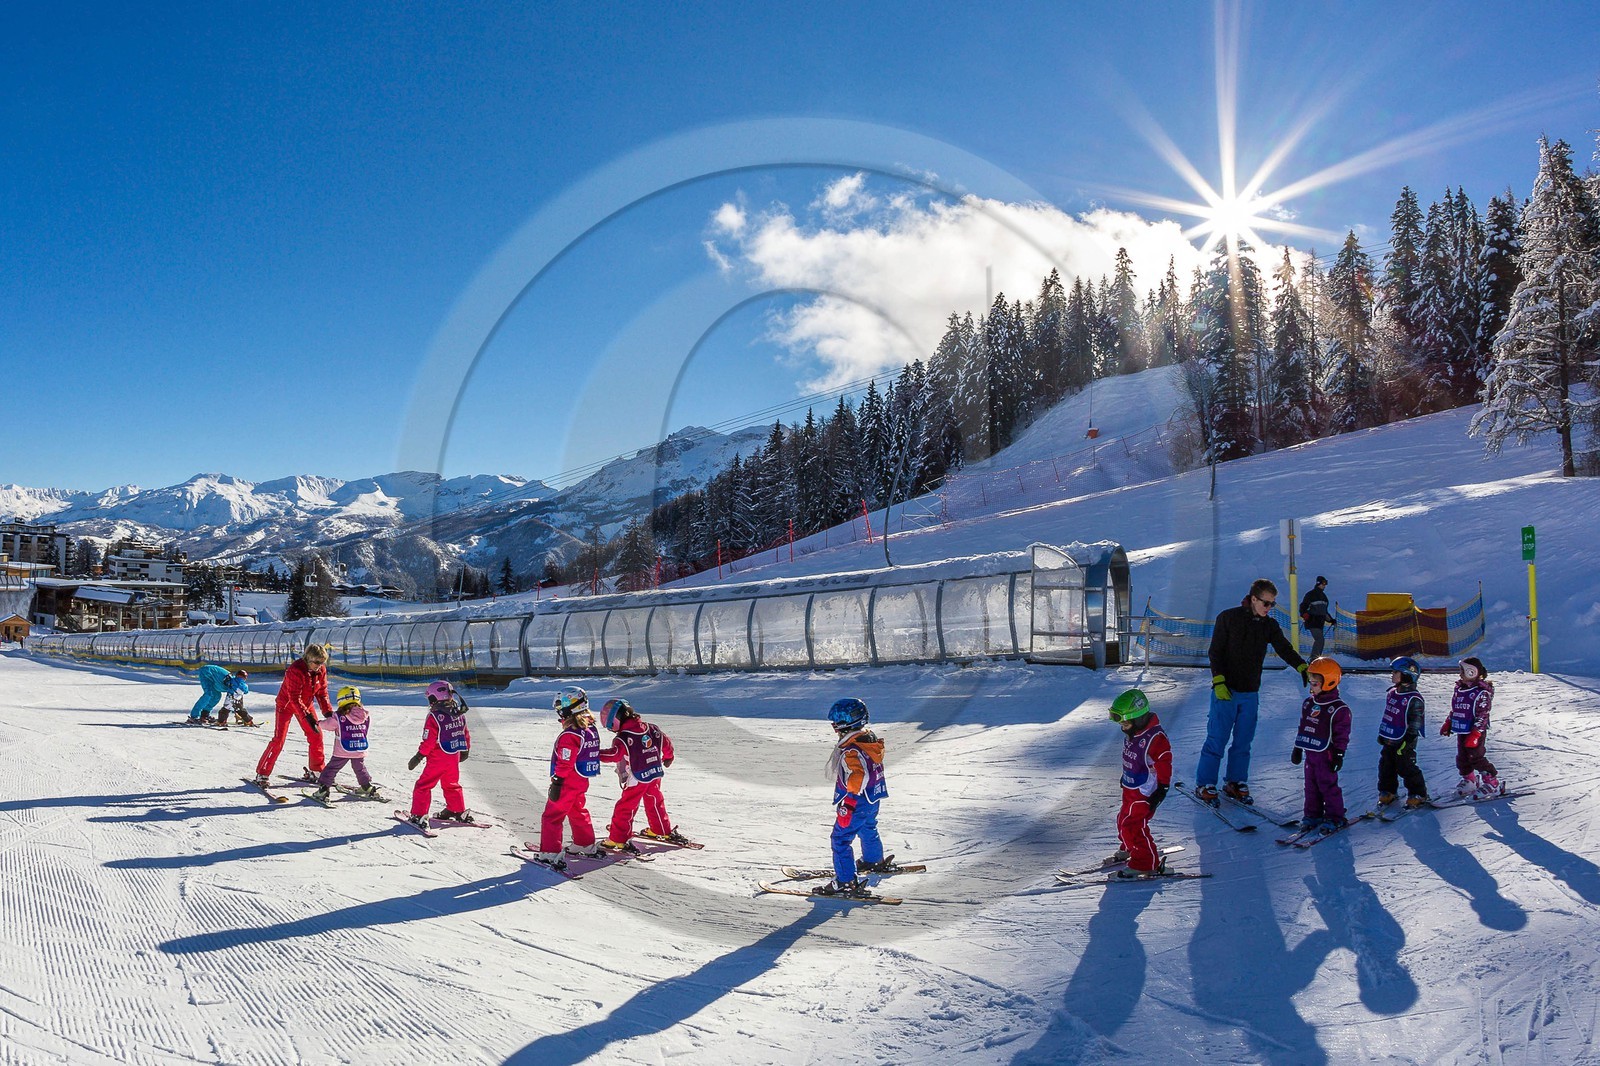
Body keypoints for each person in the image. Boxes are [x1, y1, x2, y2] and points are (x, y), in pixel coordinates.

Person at [1196, 578, 1309, 806]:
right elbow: (1215, 652)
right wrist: (1218, 682)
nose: (1269, 608)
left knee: (1243, 741)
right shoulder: (1228, 618)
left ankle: (1235, 782)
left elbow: (1283, 648)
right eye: (1266, 603)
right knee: (1217, 739)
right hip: (1225, 692)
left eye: (1272, 604)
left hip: (1250, 693)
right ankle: (1204, 783)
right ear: (1254, 599)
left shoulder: (1269, 626)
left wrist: (1301, 666)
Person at [817, 697, 890, 897]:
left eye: (835, 724)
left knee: (840, 839)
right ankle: (873, 860)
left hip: (856, 801)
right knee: (868, 827)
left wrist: (848, 803)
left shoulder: (852, 750)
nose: (834, 729)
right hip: (872, 798)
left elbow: (858, 775)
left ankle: (845, 881)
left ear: (844, 724)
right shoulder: (868, 740)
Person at [597, 697, 683, 853]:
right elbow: (666, 742)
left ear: (615, 721)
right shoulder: (652, 728)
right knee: (655, 800)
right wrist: (669, 756)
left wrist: (594, 754)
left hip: (637, 777)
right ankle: (661, 829)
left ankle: (618, 839)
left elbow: (614, 755)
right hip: (655, 772)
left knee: (626, 807)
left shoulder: (623, 738)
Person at [534, 686, 603, 870]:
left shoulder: (570, 734)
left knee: (552, 816)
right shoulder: (589, 729)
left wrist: (557, 781)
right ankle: (584, 843)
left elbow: (565, 760)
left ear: (570, 707)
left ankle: (550, 852)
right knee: (577, 810)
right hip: (581, 780)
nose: (558, 711)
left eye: (560, 707)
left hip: (567, 781)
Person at [1108, 689, 1172, 878]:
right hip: (1131, 787)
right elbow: (1135, 759)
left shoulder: (1155, 738)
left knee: (1134, 825)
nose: (1123, 727)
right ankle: (1130, 848)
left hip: (1145, 791)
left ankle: (1145, 863)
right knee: (1123, 820)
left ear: (1139, 718)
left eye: (1126, 723)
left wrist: (1163, 788)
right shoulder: (1135, 732)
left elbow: (1165, 762)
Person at [252, 643, 332, 786]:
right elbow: (294, 698)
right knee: (279, 740)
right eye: (316, 662)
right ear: (308, 658)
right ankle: (262, 773)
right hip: (286, 705)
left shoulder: (321, 671)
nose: (319, 666)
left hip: (305, 706)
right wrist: (306, 716)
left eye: (322, 662)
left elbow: (322, 692)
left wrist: (328, 712)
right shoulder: (295, 670)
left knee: (316, 735)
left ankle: (317, 770)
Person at [1291, 656, 1351, 834]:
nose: (1311, 687)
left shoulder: (1339, 709)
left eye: (1315, 683)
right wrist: (1297, 747)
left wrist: (1339, 754)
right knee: (1310, 786)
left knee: (1327, 785)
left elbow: (1342, 734)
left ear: (1329, 682)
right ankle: (1312, 814)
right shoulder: (1309, 703)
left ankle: (1335, 816)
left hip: (1327, 755)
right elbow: (1304, 726)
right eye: (1311, 682)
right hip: (1311, 753)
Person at [404, 680, 472, 830]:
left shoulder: (434, 716)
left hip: (438, 757)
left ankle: (418, 815)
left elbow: (429, 740)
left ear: (434, 698)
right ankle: (457, 809)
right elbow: (464, 732)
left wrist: (419, 756)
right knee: (451, 783)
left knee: (423, 785)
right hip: (453, 755)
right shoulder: (458, 712)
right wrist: (465, 749)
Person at [1441, 656, 1502, 799]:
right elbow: (1456, 709)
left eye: (1462, 671)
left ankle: (1492, 782)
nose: (1459, 674)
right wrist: (1449, 722)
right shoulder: (1460, 689)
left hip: (1475, 731)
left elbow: (1483, 715)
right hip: (1462, 728)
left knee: (1476, 757)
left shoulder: (1482, 692)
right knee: (1462, 757)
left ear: (1471, 672)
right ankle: (1470, 780)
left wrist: (1475, 734)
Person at [1376, 656, 1429, 809]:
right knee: (1386, 765)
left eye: (1396, 672)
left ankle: (1418, 793)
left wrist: (1409, 739)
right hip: (1390, 738)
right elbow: (1389, 715)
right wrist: (1383, 734)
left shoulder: (1414, 699)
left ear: (1407, 674)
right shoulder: (1392, 693)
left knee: (1406, 767)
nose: (1392, 675)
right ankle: (1388, 791)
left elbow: (1415, 722)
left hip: (1404, 741)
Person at [310, 685, 379, 802]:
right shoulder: (365, 715)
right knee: (359, 768)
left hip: (343, 750)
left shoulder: (340, 716)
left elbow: (329, 725)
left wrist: (318, 723)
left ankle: (323, 790)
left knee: (331, 769)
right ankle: (367, 787)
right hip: (359, 748)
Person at [1298, 576, 1333, 657]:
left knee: (1320, 640)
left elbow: (1324, 612)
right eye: (1323, 584)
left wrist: (1331, 620)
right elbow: (1303, 606)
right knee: (1320, 639)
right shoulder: (1311, 595)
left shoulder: (1324, 597)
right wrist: (1304, 614)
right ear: (1318, 583)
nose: (1324, 586)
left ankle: (1315, 659)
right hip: (1312, 621)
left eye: (1325, 584)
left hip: (1320, 623)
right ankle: (1314, 659)